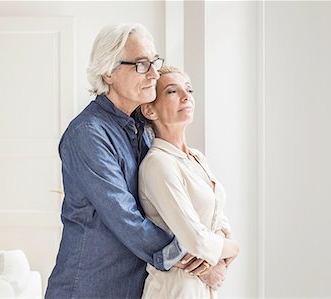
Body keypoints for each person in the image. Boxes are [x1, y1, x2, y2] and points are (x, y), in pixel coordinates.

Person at [45, 24, 223, 299]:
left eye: (154, 62)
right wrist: (199, 262)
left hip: (135, 287)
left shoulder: (145, 131)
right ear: (108, 72)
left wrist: (221, 244)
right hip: (89, 288)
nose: (153, 73)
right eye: (140, 64)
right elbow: (127, 217)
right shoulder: (88, 134)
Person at [137, 65, 240, 298]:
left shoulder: (196, 157)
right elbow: (196, 240)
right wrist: (234, 248)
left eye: (189, 90)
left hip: (202, 288)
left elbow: (218, 218)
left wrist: (220, 257)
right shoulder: (158, 164)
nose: (186, 97)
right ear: (150, 110)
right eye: (173, 91)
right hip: (175, 288)